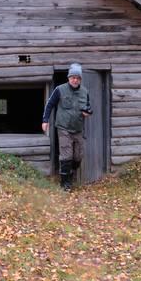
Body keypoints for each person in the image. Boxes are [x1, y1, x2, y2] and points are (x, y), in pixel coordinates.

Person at [42, 63, 93, 191]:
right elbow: (49, 105)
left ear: (80, 79)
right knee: (66, 156)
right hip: (63, 128)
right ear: (68, 78)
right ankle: (65, 183)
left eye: (78, 78)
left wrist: (87, 112)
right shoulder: (60, 89)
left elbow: (87, 107)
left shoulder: (84, 91)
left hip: (78, 129)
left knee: (78, 156)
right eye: (73, 77)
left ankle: (70, 173)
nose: (75, 80)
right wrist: (45, 120)